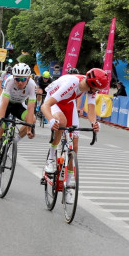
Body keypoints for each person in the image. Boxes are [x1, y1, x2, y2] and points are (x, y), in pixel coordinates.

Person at [40, 68, 105, 197]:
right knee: (61, 122)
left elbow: (91, 109)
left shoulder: (91, 87)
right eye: (97, 90)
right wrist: (51, 120)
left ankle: (68, 187)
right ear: (92, 86)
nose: (96, 92)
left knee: (74, 147)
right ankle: (51, 158)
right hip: (53, 102)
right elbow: (44, 106)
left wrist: (94, 123)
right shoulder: (72, 83)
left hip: (68, 104)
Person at [0, 62, 37, 182]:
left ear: (28, 78)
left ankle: (15, 140)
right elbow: (4, 103)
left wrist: (29, 128)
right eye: (17, 79)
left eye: (23, 79)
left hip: (19, 106)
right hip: (6, 105)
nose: (20, 82)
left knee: (32, 120)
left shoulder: (32, 85)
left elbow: (31, 107)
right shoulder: (10, 81)